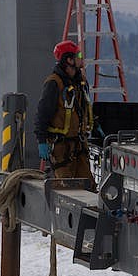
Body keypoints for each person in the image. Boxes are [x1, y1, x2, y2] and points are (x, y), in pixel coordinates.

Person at [34, 40, 95, 183]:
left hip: (79, 145)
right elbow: (42, 114)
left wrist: (94, 125)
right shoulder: (54, 83)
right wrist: (42, 140)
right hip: (61, 148)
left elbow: (83, 109)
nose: (82, 58)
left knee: (88, 186)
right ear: (69, 59)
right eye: (78, 55)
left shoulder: (80, 82)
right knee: (66, 188)